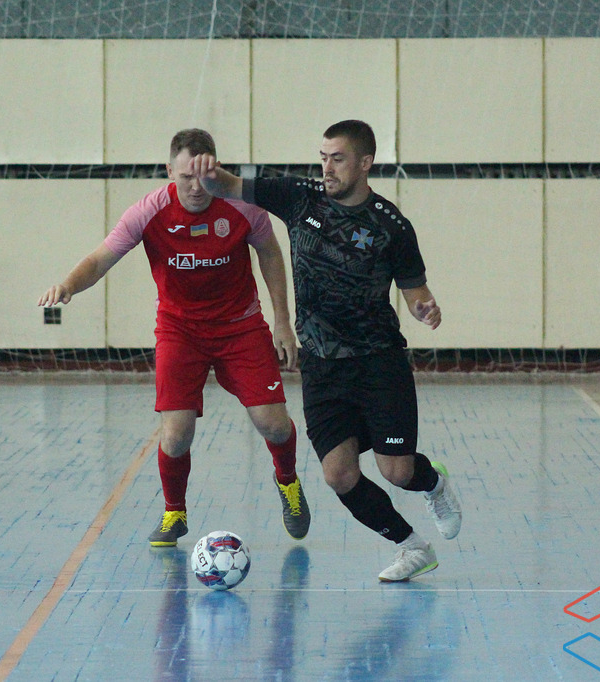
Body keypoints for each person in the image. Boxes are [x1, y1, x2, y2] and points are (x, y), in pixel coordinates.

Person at [191, 119, 462, 582]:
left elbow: (416, 292)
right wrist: (207, 172)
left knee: (397, 472)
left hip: (378, 362)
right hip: (321, 366)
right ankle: (412, 547)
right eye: (323, 158)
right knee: (339, 475)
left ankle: (433, 482)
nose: (327, 168)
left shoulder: (391, 225)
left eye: (338, 159)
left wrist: (424, 308)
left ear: (365, 162)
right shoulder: (300, 197)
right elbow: (230, 185)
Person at [39, 129, 310, 545]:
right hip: (180, 331)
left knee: (273, 425)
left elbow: (270, 253)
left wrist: (282, 321)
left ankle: (288, 482)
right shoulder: (149, 212)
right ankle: (174, 512)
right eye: (185, 177)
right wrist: (68, 285)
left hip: (240, 327)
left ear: (217, 169)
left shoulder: (243, 207)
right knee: (176, 434)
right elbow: (99, 259)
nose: (196, 187)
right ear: (169, 171)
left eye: (204, 176)